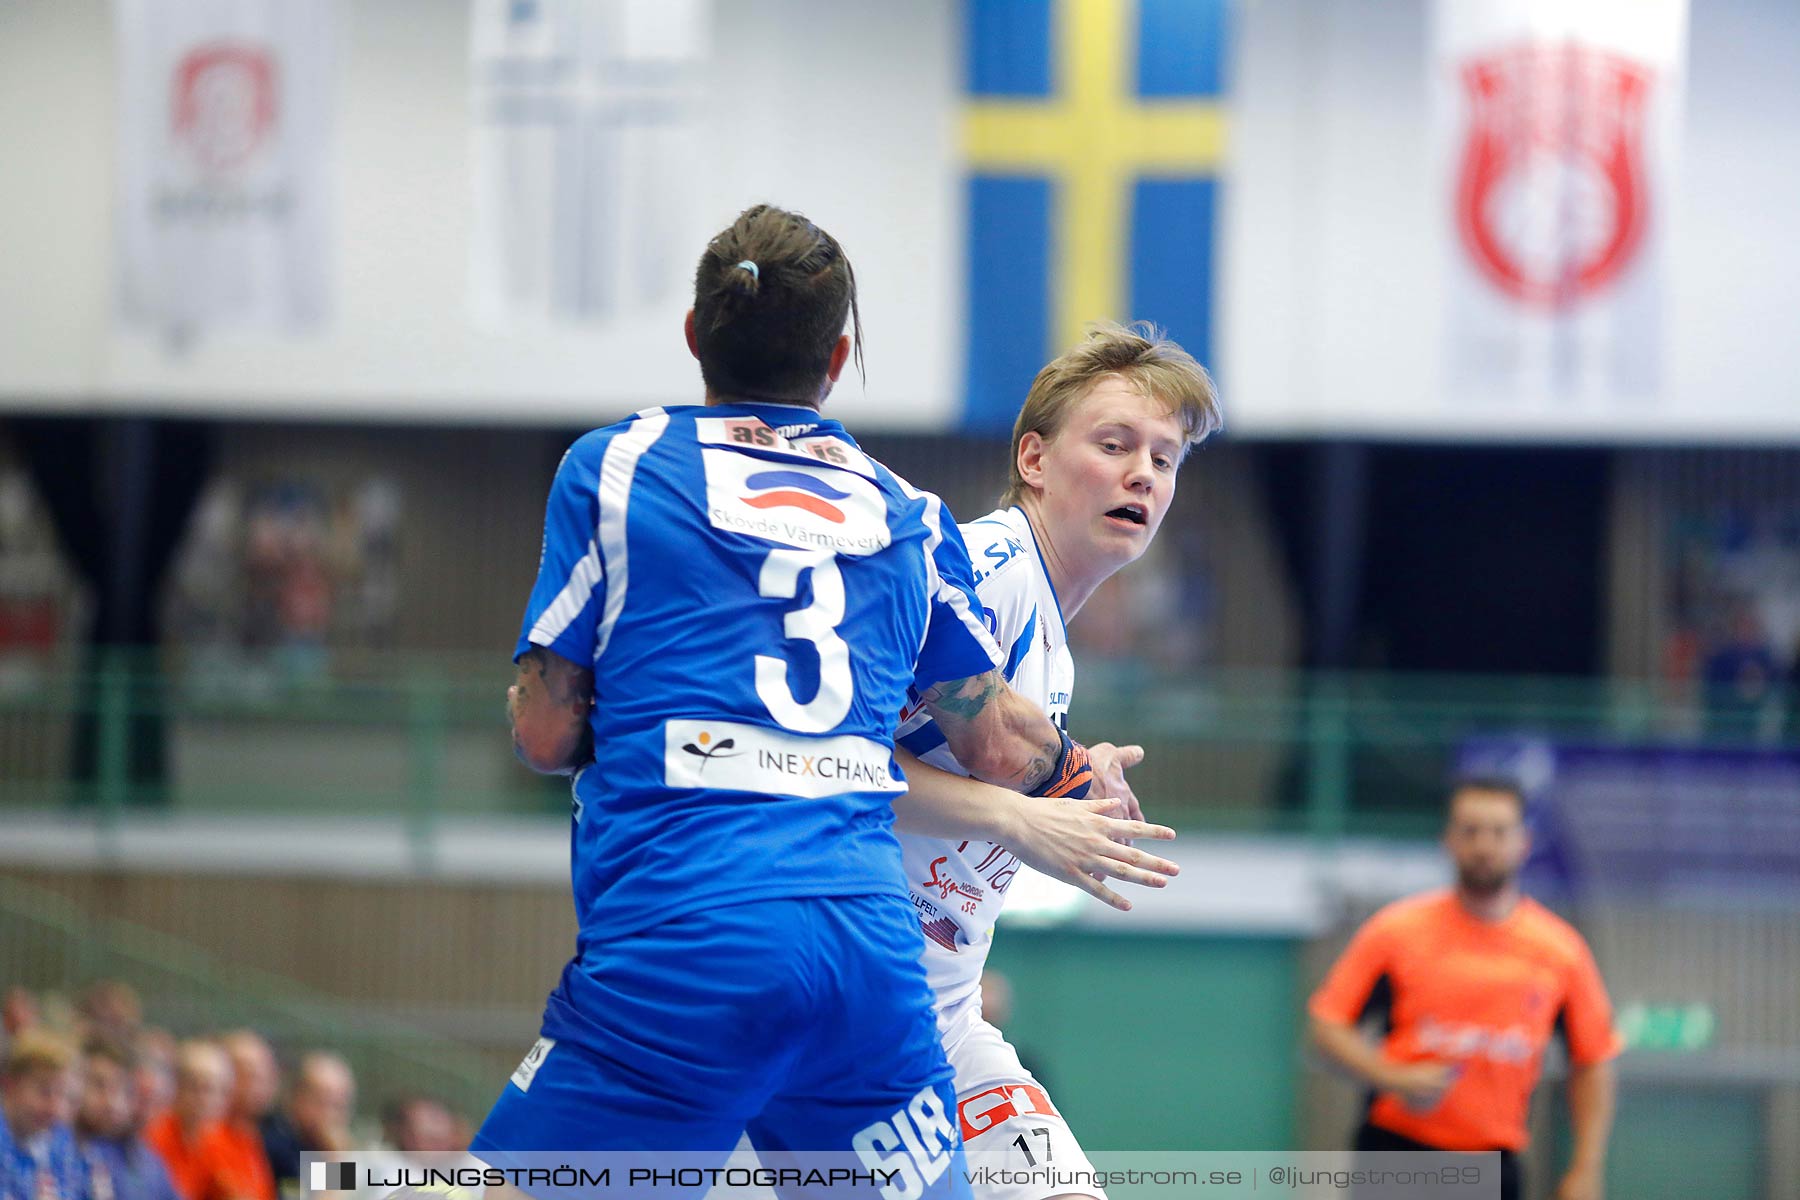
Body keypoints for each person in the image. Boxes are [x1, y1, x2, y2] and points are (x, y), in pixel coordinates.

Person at [472, 204, 1131, 1179]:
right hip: (866, 958)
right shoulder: (902, 509)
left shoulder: (615, 467)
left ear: (695, 336)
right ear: (839, 357)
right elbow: (994, 741)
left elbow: (542, 728)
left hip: (688, 931)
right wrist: (1075, 773)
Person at [888, 322, 1221, 1195]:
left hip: (940, 1010)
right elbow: (825, 772)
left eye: (1165, 457)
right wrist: (1022, 815)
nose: (1143, 473)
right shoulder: (986, 568)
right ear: (1033, 459)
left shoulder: (1050, 631)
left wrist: (1065, 780)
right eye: (1114, 444)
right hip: (853, 993)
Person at [1308, 779, 1622, 1200]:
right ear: (1448, 840)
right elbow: (1327, 1025)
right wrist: (1392, 1076)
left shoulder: (1561, 951)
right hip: (1396, 1153)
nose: (1484, 846)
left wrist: (1587, 1166)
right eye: (1470, 831)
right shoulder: (1396, 931)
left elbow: (1593, 1059)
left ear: (1523, 842)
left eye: (1498, 832)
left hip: (1491, 1165)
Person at [142, 1040, 271, 1200]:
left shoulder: (240, 1139)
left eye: (216, 1090)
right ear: (177, 1087)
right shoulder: (153, 1137)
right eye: (196, 1087)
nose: (205, 1099)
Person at [76, 1035, 181, 1200]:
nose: (111, 1102)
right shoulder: (55, 1153)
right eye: (98, 1085)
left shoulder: (144, 1158)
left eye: (120, 1089)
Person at [1, 1029, 87, 1200]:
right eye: (44, 1092)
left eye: (65, 1096)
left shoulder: (60, 1140)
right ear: (9, 1085)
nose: (55, 1108)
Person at [258, 1052, 352, 1196]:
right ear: (295, 1097)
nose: (330, 1115)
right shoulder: (273, 1147)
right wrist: (334, 1160)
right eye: (322, 1102)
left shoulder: (319, 1148)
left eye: (339, 1106)